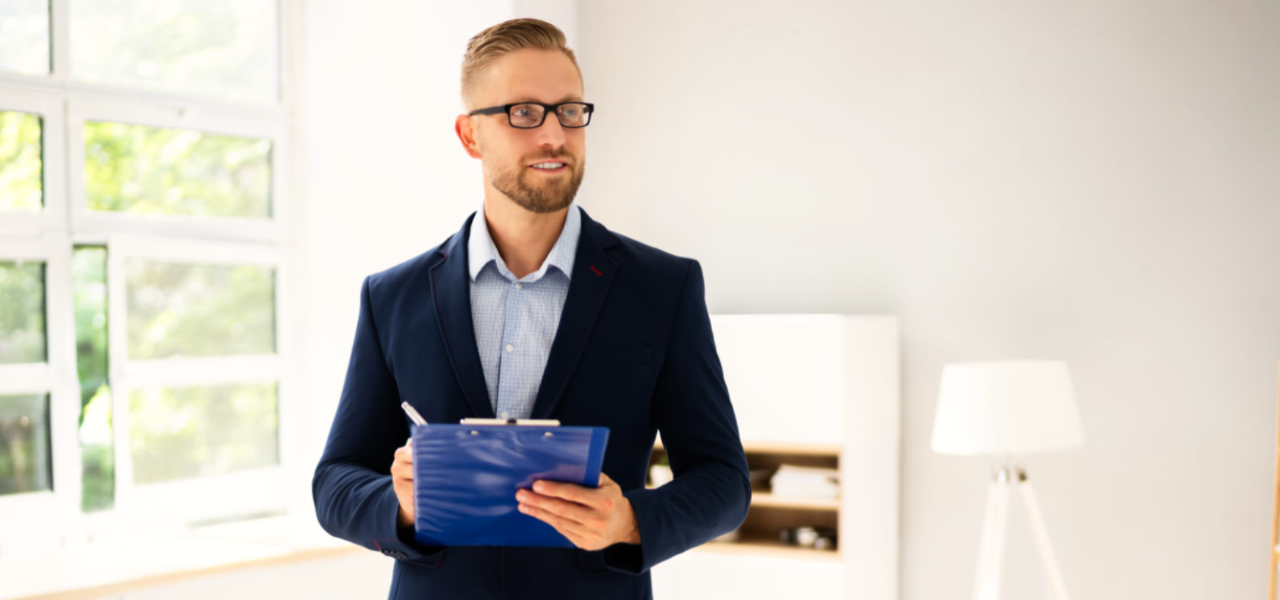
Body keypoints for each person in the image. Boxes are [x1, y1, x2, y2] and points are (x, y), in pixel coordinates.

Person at [312, 18, 750, 600]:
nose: (555, 135)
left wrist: (629, 522)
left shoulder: (663, 287)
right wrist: (399, 505)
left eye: (569, 111)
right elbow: (335, 483)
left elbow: (724, 483)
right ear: (470, 136)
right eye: (524, 113)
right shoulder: (393, 296)